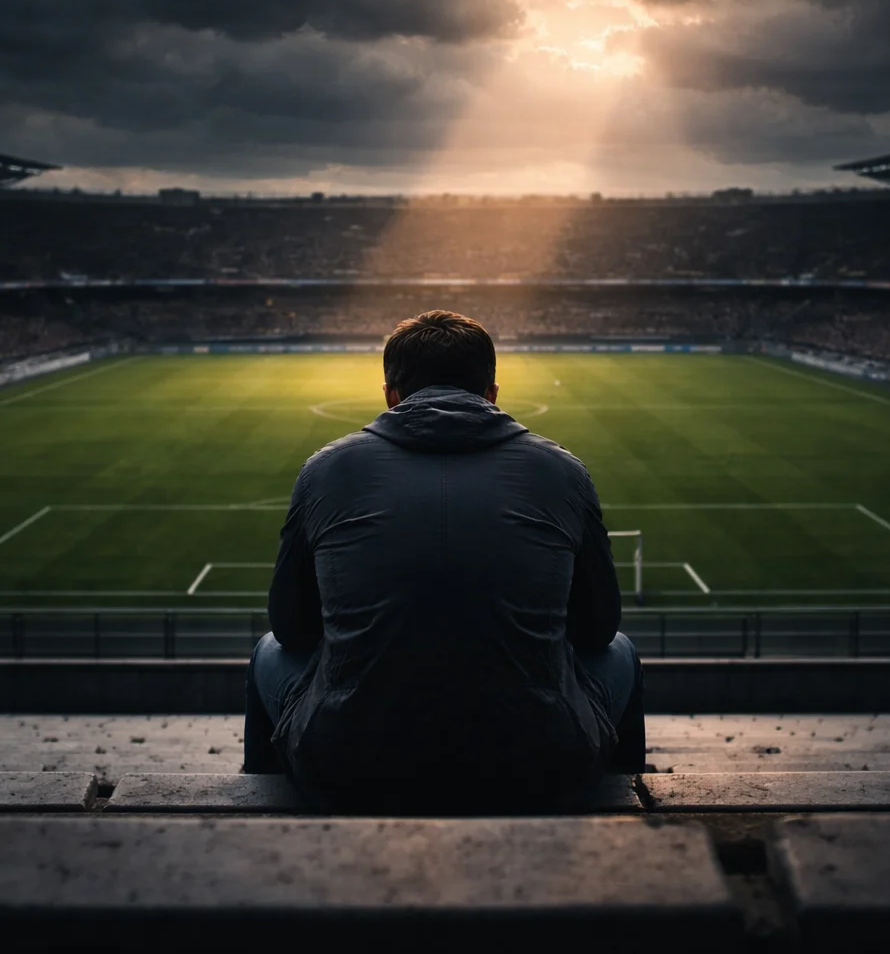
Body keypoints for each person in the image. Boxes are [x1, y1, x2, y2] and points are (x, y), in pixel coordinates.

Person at [243, 310, 644, 811]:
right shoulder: (562, 470)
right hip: (542, 767)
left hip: (346, 767)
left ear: (390, 393)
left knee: (266, 651)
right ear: (492, 393)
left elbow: (290, 630)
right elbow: (599, 630)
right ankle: (626, 814)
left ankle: (256, 811)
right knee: (622, 651)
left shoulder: (325, 469)